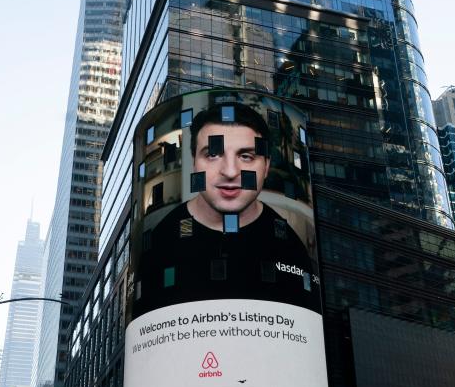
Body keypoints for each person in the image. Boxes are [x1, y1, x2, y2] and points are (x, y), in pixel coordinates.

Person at [132, 102, 319, 318]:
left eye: (246, 156)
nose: (230, 172)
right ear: (194, 163)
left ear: (266, 166)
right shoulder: (161, 242)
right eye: (213, 154)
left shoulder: (291, 247)